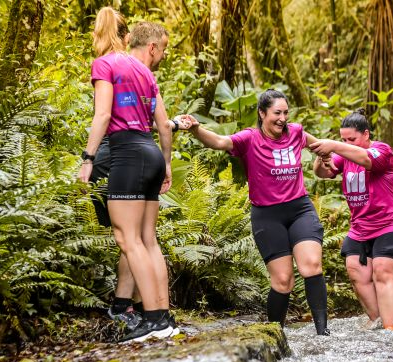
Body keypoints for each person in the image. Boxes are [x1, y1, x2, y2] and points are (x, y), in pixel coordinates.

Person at [181, 89, 330, 335]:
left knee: (311, 265)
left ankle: (323, 335)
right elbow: (220, 142)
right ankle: (274, 335)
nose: (282, 118)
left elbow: (320, 146)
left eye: (285, 113)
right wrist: (196, 129)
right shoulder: (249, 139)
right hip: (268, 216)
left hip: (300, 209)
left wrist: (328, 158)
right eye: (276, 113)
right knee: (283, 281)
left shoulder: (296, 131)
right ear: (262, 113)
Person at [86, 13, 187, 333]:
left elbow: (103, 115)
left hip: (127, 153)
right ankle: (164, 318)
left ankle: (153, 320)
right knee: (147, 240)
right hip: (150, 152)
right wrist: (167, 163)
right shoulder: (145, 72)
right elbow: (164, 125)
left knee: (128, 239)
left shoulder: (105, 64)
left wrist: (88, 157)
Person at [311, 109, 393, 330]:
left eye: (352, 139)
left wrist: (335, 145)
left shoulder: (381, 150)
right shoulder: (344, 154)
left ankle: (390, 329)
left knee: (382, 269)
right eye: (343, 139)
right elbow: (322, 173)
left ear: (366, 134)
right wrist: (322, 157)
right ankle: (378, 320)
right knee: (355, 270)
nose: (347, 143)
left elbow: (367, 161)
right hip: (361, 226)